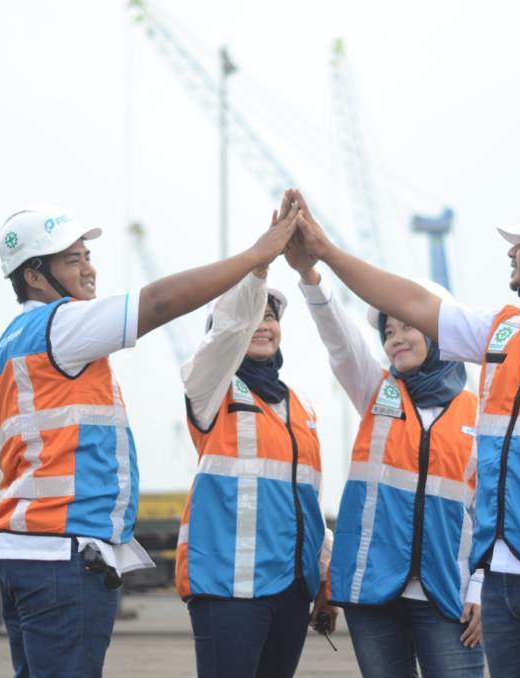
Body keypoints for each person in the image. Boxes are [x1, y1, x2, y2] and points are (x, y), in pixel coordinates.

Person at [290, 187, 520, 677]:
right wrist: (326, 254)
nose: (512, 252)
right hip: (503, 582)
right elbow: (413, 301)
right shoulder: (503, 332)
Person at [0, 197, 300, 678]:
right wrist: (255, 257)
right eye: (72, 260)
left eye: (87, 256)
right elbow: (157, 303)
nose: (89, 270)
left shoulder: (9, 342)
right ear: (34, 275)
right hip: (59, 552)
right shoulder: (61, 324)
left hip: (22, 547)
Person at [286, 223, 486, 678]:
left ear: (440, 332)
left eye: (407, 325)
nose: (395, 337)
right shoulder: (375, 391)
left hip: (447, 596)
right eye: (388, 331)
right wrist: (311, 277)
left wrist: (481, 588)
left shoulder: (481, 414)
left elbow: (492, 513)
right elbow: (341, 342)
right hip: (373, 594)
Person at [174, 205, 336, 677]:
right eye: (253, 316)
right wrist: (260, 266)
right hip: (228, 587)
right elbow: (229, 327)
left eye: (270, 316)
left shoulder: (299, 406)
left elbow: (307, 501)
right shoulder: (210, 387)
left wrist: (324, 581)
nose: (263, 325)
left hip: (290, 588)